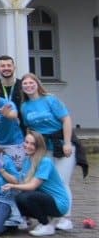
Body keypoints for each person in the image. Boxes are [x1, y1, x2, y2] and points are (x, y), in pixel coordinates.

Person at [17, 73, 75, 227]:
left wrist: (67, 142)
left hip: (60, 144)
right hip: (42, 147)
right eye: (25, 84)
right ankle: (49, 215)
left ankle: (65, 218)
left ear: (37, 83)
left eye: (31, 83)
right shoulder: (24, 107)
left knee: (62, 181)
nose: (28, 86)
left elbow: (66, 119)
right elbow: (29, 128)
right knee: (46, 182)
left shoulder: (50, 99)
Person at [5, 131, 72, 237]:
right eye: (26, 142)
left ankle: (46, 225)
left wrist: (13, 186)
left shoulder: (45, 161)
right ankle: (40, 219)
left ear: (39, 146)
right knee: (16, 199)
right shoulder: (28, 160)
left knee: (24, 197)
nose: (28, 146)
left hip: (59, 204)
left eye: (32, 144)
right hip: (44, 198)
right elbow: (22, 181)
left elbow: (32, 186)